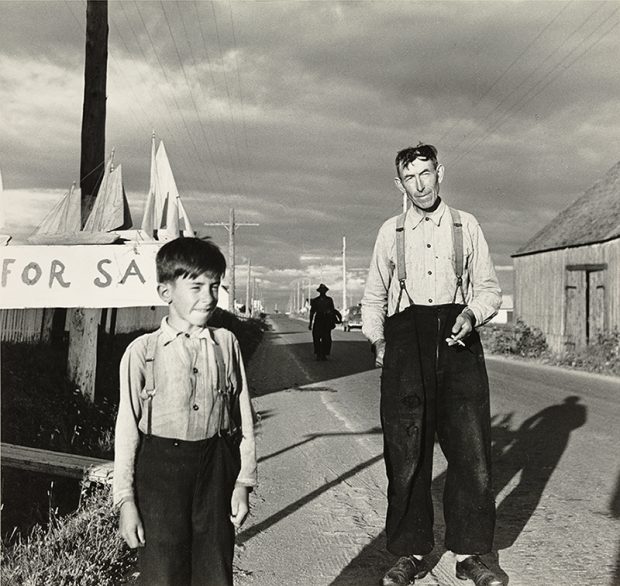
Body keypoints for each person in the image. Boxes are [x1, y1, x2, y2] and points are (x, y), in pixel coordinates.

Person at [361, 144, 503, 586]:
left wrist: (470, 315)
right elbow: (373, 297)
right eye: (410, 177)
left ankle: (472, 555)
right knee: (407, 456)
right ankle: (408, 553)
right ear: (398, 183)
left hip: (459, 345)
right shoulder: (391, 231)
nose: (420, 184)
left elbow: (490, 290)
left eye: (427, 173)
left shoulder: (467, 225)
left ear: (440, 172)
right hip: (406, 347)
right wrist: (379, 340)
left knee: (472, 455)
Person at [113, 237, 257, 586]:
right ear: (166, 292)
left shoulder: (226, 344)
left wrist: (243, 482)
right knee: (163, 572)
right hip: (160, 474)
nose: (208, 297)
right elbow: (127, 429)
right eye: (195, 286)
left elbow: (243, 419)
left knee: (214, 571)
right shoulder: (142, 352)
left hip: (215, 470)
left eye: (214, 286)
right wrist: (125, 501)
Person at [308, 283, 341, 360]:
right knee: (316, 337)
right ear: (319, 291)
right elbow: (312, 312)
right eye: (321, 290)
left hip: (326, 320)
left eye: (324, 290)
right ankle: (319, 354)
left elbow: (332, 311)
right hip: (318, 320)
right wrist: (310, 323)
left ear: (325, 291)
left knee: (326, 338)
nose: (323, 292)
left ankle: (323, 354)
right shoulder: (315, 301)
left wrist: (335, 319)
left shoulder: (329, 300)